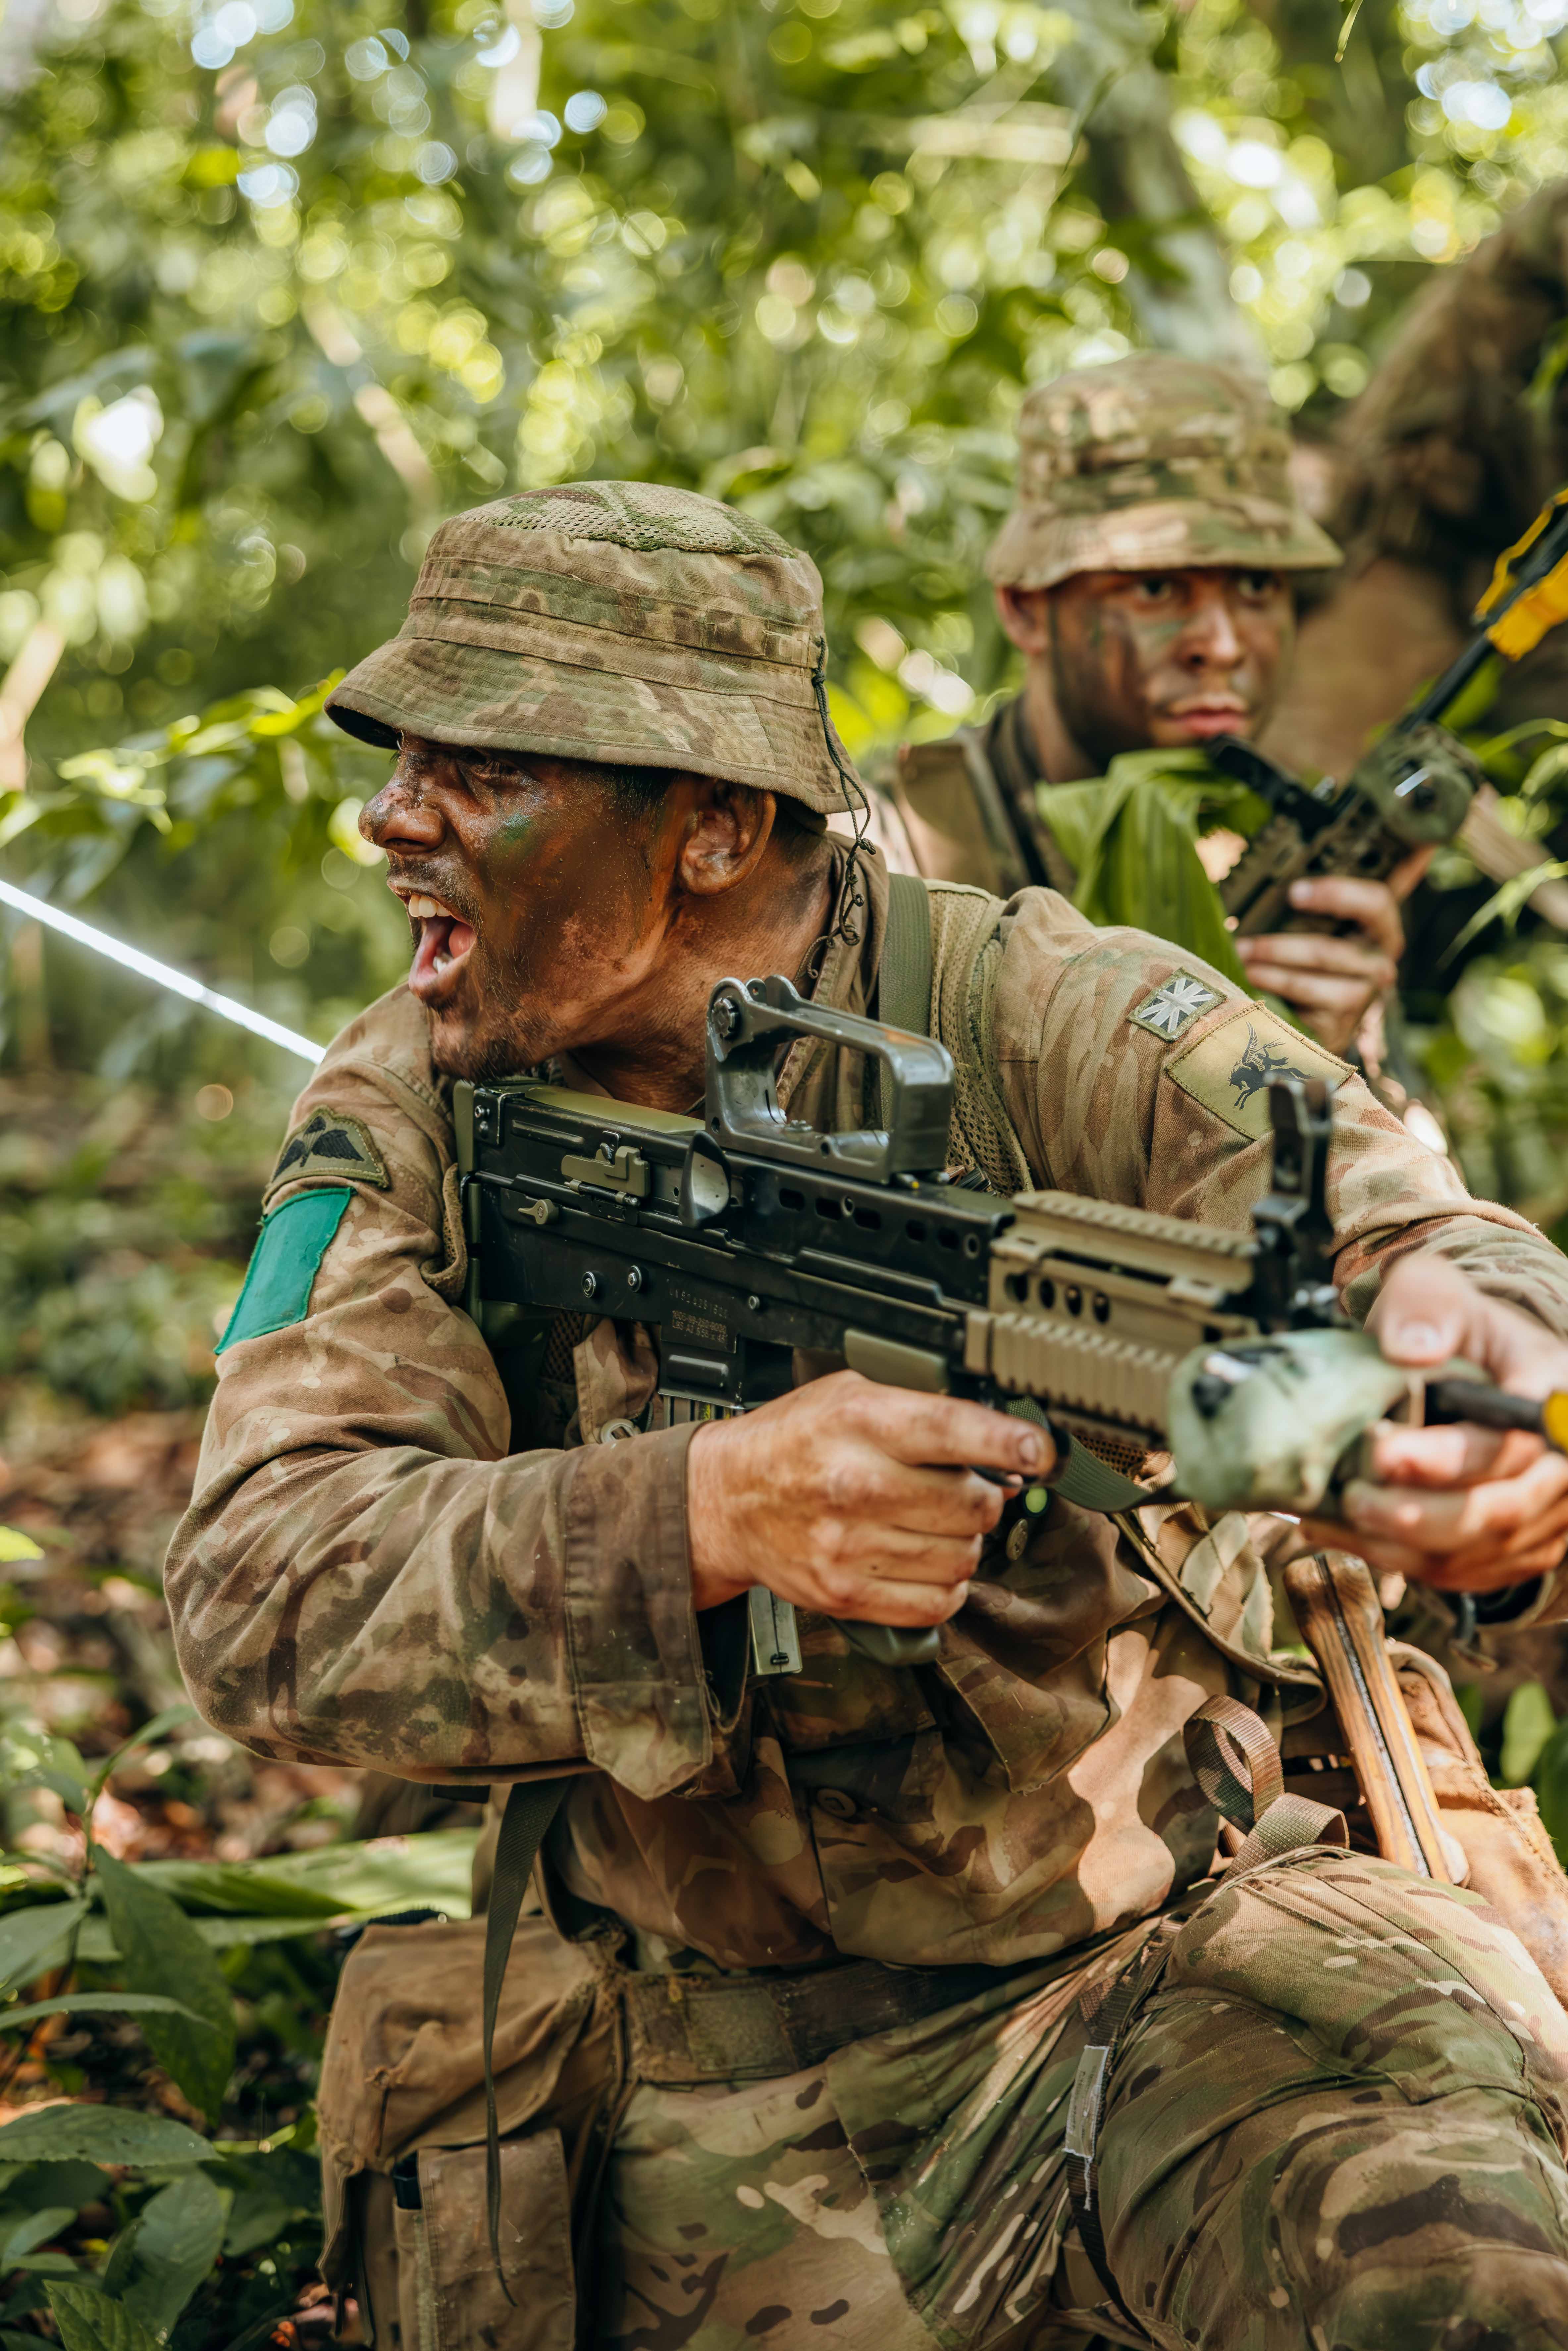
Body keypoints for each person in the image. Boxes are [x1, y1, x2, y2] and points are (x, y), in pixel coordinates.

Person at [168, 481, 1568, 2348]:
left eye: (482, 769)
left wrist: (1484, 1357)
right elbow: (257, 1589)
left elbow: (1417, 1235)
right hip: (705, 2071)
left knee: (1468, 2269)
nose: (390, 819)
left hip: (1160, 1973)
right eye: (403, 757)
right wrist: (703, 1510)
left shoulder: (1036, 1007)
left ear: (717, 824)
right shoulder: (414, 1098)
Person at [884, 354, 1430, 1065]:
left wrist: (1325, 1058)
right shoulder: (891, 861)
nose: (1224, 644)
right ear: (1024, 608)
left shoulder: (1273, 855)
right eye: (1157, 588)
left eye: (1259, 583)